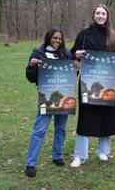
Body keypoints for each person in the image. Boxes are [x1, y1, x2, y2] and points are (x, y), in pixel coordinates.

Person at [69, 4, 115, 168]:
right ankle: (80, 155)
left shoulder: (113, 36)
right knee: (86, 117)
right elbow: (73, 54)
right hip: (88, 82)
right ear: (93, 15)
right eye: (98, 13)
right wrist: (76, 54)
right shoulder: (84, 34)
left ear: (107, 16)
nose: (101, 16)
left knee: (107, 116)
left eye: (103, 13)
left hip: (108, 82)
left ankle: (103, 151)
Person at [24, 29, 71, 177]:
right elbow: (30, 77)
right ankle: (31, 163)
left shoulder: (66, 54)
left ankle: (57, 156)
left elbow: (72, 73)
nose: (57, 40)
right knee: (40, 130)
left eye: (59, 38)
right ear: (48, 38)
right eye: (54, 38)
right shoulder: (38, 53)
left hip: (64, 95)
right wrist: (31, 66)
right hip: (47, 96)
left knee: (61, 129)